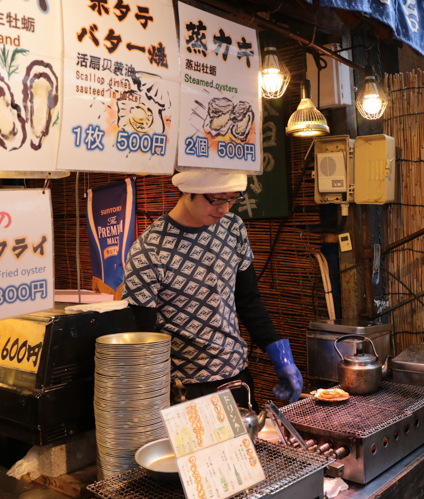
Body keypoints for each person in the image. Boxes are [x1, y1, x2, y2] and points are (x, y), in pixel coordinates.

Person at [121, 171, 302, 410]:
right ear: (187, 190)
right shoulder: (149, 250)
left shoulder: (233, 228)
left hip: (237, 377)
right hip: (185, 388)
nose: (225, 208)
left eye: (232, 198)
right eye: (216, 199)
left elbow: (248, 301)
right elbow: (142, 338)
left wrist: (280, 355)